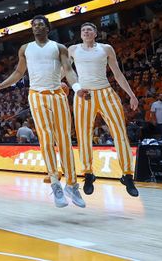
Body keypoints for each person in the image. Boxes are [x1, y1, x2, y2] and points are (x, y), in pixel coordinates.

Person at [0, 15, 85, 209]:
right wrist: (2, 85)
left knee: (64, 139)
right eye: (34, 25)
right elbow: (18, 72)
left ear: (47, 28)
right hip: (37, 95)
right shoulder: (25, 48)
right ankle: (55, 182)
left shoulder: (59, 48)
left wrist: (77, 88)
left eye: (41, 24)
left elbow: (68, 71)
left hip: (57, 94)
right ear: (32, 29)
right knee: (46, 139)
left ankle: (72, 184)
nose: (37, 27)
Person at [68, 22, 139, 197]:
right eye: (83, 29)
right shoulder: (73, 49)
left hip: (106, 92)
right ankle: (88, 173)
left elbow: (117, 73)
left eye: (89, 29)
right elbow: (66, 71)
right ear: (80, 34)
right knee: (83, 134)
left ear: (95, 33)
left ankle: (127, 175)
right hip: (84, 94)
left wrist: (131, 94)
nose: (85, 31)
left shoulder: (106, 48)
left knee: (120, 133)